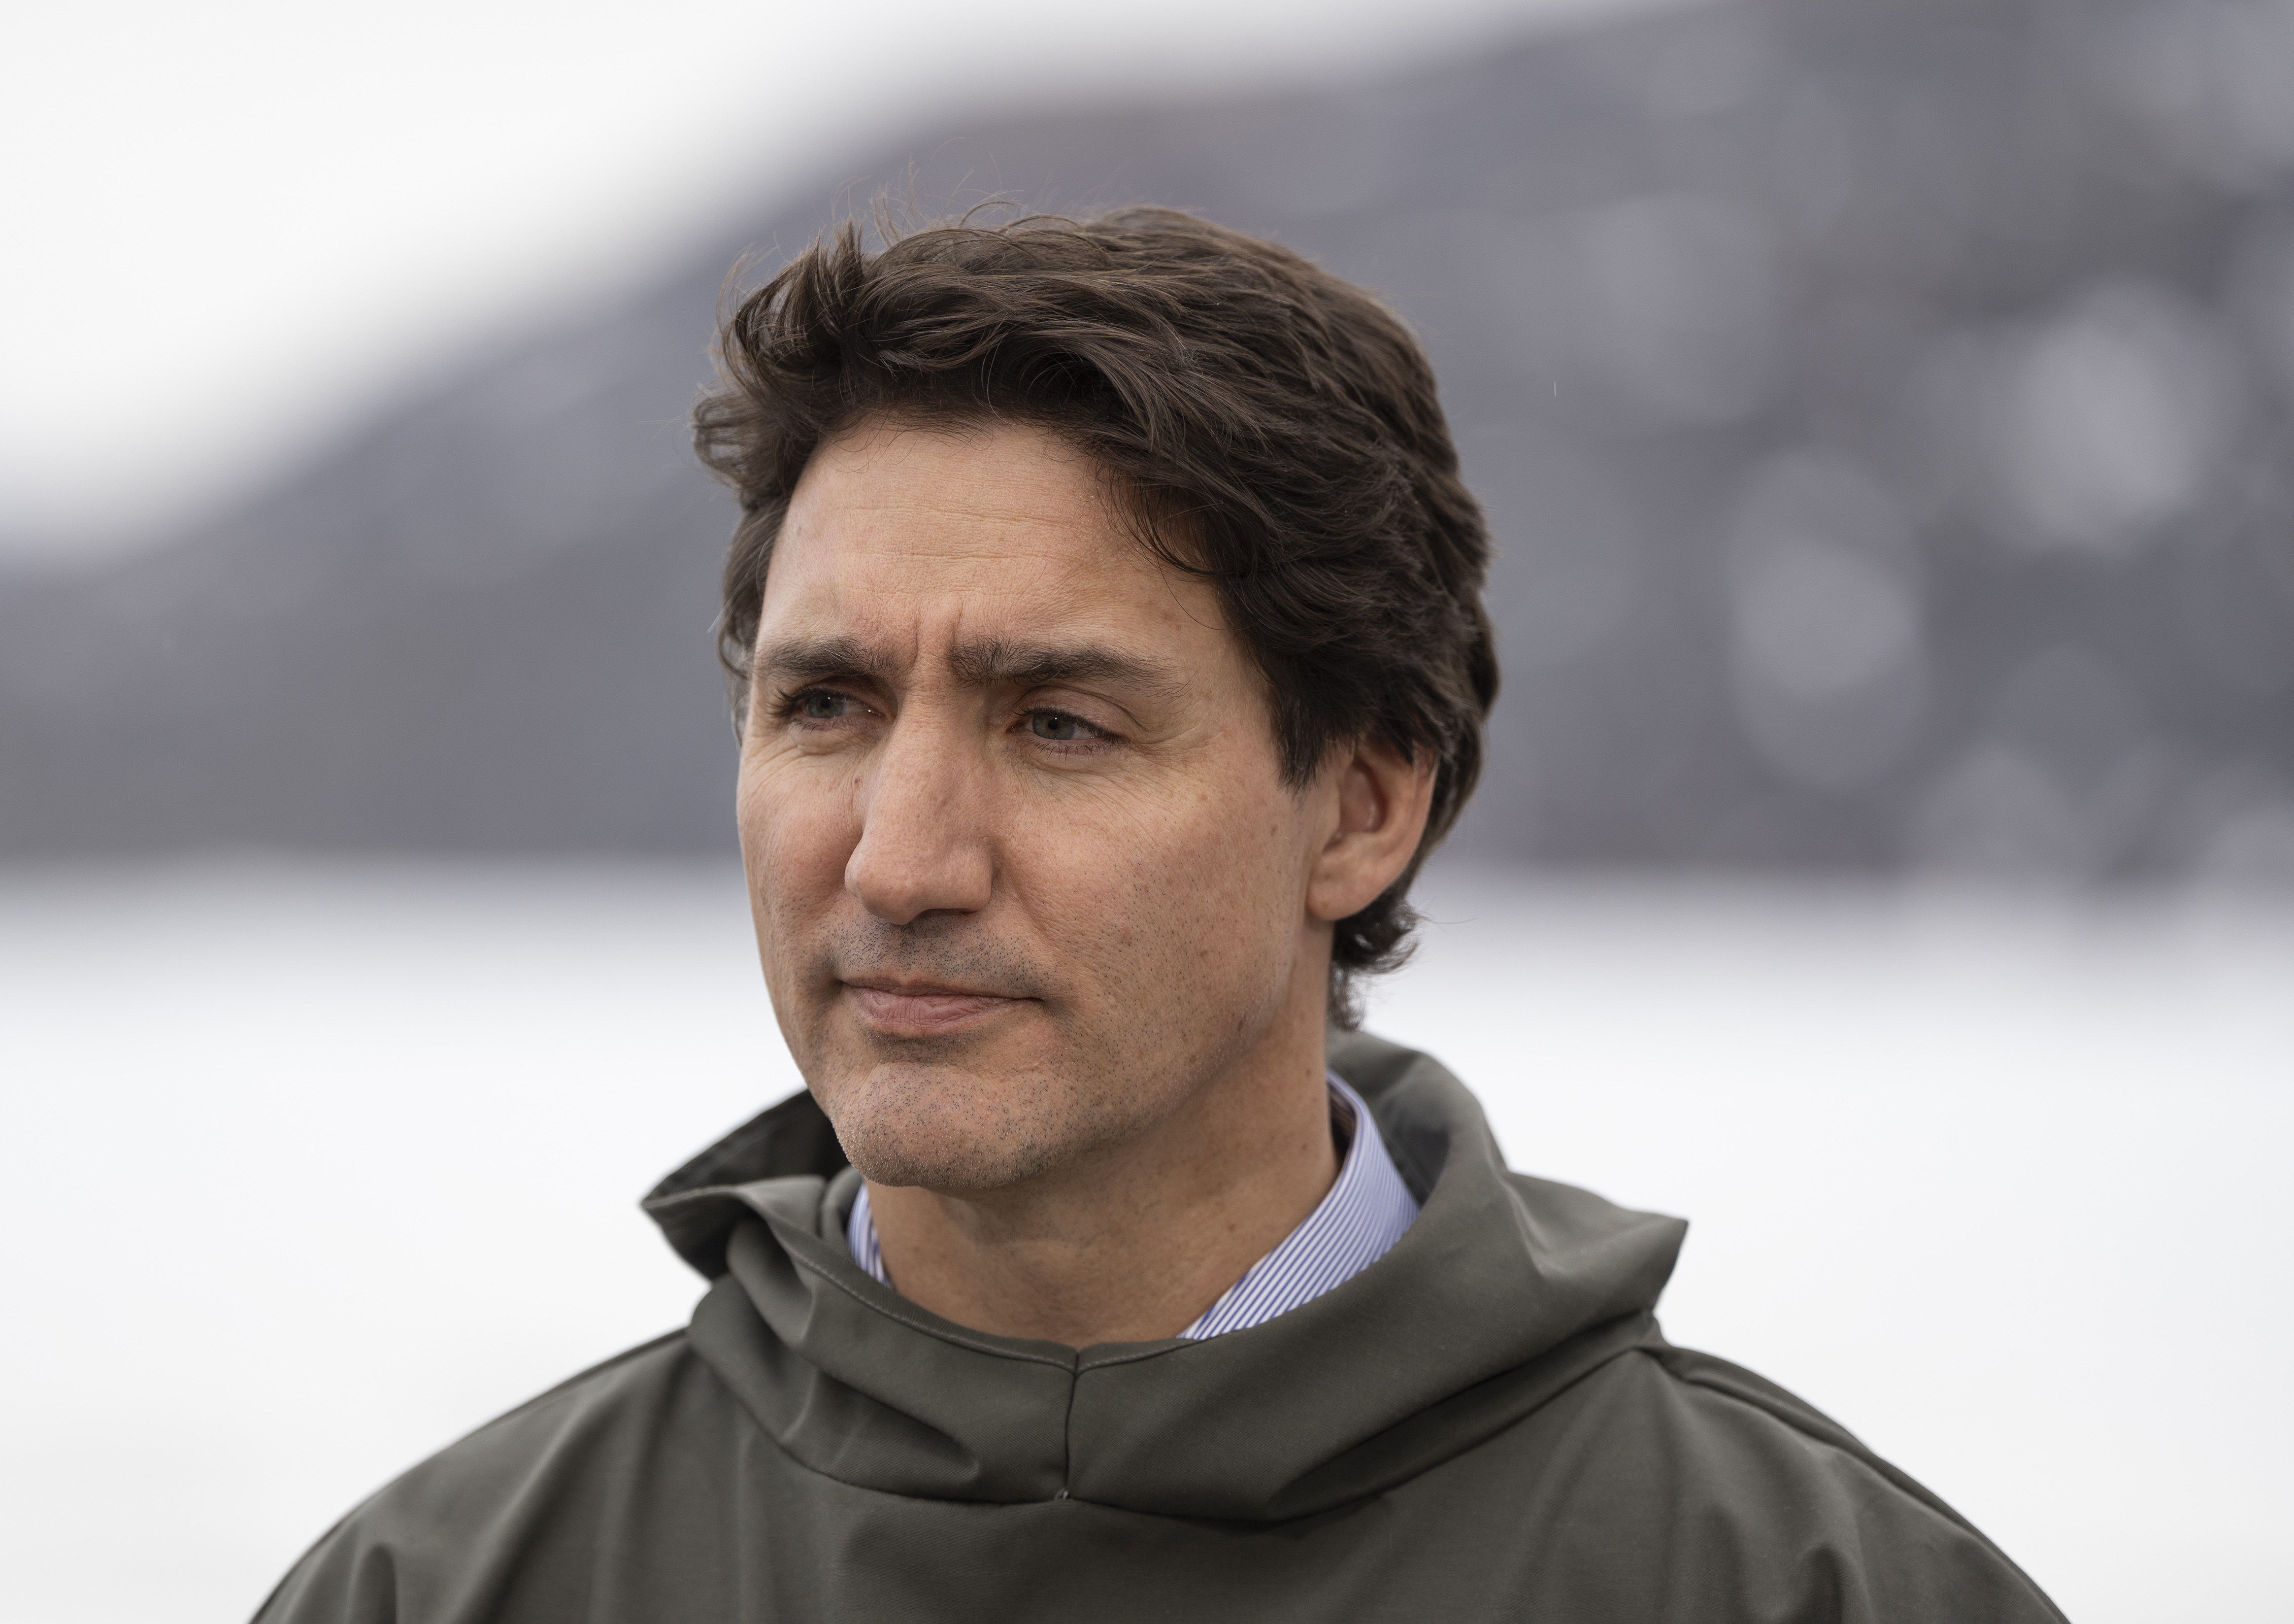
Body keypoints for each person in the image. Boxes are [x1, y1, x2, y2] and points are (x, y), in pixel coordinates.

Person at [253, 208, 2065, 1622]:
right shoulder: (451, 1589)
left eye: (1060, 723)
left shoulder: (1796, 1594)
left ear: (1361, 804)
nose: (899, 861)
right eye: (827, 707)